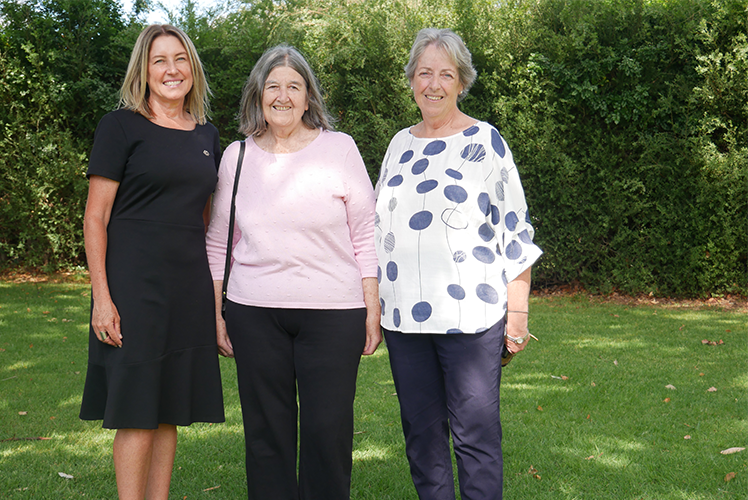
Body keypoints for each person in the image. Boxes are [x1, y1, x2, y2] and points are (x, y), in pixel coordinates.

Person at [205, 44, 381, 500]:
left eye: (294, 87)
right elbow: (219, 241)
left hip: (333, 312)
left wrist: (372, 307)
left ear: (308, 98)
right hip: (254, 311)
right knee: (267, 438)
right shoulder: (236, 157)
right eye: (273, 86)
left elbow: (366, 234)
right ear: (258, 95)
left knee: (328, 433)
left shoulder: (340, 149)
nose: (282, 96)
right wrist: (218, 312)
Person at [374, 28, 543, 500]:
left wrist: (519, 315)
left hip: (472, 320)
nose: (434, 84)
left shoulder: (486, 142)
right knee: (422, 440)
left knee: (476, 438)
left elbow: (516, 233)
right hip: (405, 320)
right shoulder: (398, 146)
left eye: (445, 74)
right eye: (424, 72)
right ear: (410, 80)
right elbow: (378, 229)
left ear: (461, 82)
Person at [79, 24, 225, 500]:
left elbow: (205, 219)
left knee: (169, 409)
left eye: (180, 59)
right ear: (143, 70)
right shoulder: (119, 126)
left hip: (187, 288)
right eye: (159, 60)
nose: (171, 70)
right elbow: (95, 217)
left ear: (193, 68)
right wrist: (102, 297)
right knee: (137, 410)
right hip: (134, 287)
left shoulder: (207, 134)